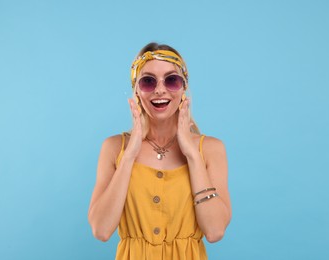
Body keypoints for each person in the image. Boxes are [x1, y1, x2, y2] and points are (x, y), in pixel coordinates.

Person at [88, 42, 232, 259]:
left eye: (172, 80)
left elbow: (214, 231)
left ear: (184, 88)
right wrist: (129, 156)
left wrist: (192, 155)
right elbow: (101, 230)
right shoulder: (114, 148)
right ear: (136, 89)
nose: (160, 89)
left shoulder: (210, 149)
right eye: (148, 81)